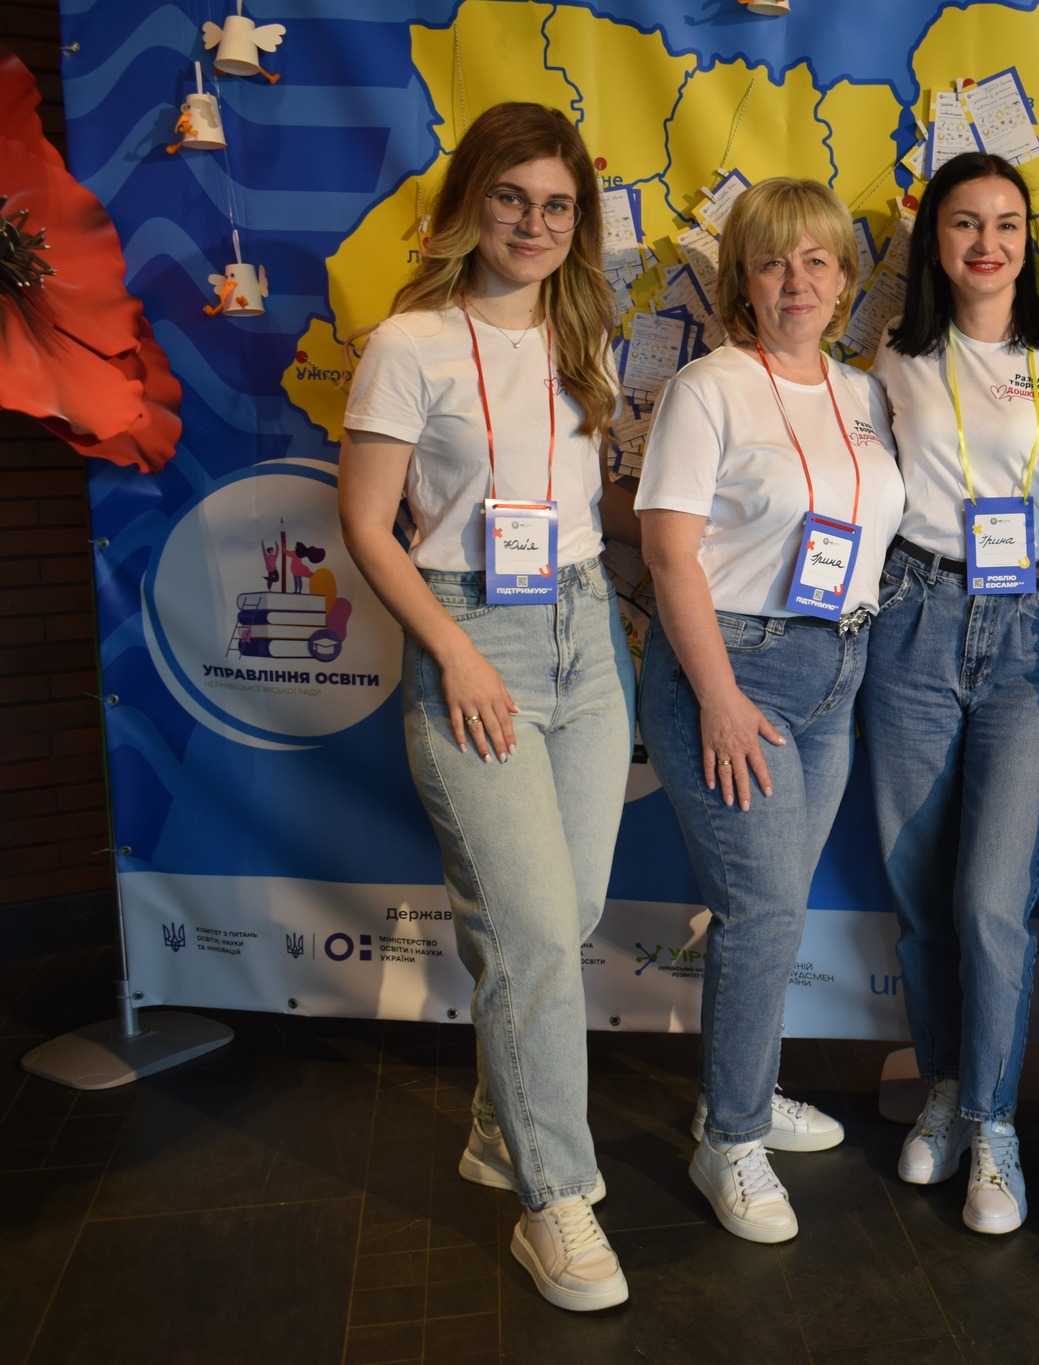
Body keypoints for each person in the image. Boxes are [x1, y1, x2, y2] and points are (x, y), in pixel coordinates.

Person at [338, 101, 634, 1312]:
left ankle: (497, 1121)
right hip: (475, 637)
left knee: (567, 915)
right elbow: (367, 523)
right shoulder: (409, 343)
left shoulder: (586, 335)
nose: (533, 222)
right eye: (511, 197)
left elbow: (588, 503)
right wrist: (454, 654)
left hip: (586, 636)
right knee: (529, 936)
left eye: (557, 204)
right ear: (470, 202)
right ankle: (554, 1199)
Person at [635, 177, 904, 1245]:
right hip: (734, 669)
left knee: (776, 906)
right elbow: (668, 553)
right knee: (759, 911)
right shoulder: (706, 388)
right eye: (771, 262)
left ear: (845, 279)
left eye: (817, 261)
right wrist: (716, 696)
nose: (796, 281)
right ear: (740, 281)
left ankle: (740, 1088)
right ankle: (731, 1136)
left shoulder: (862, 392)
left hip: (838, 669)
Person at [861, 152, 1039, 1234]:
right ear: (934, 239)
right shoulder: (894, 352)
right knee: (922, 894)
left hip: (1032, 631)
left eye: (1006, 223)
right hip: (914, 617)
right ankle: (945, 1087)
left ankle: (996, 1122)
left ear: (1028, 238)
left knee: (990, 899)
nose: (986, 243)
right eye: (964, 222)